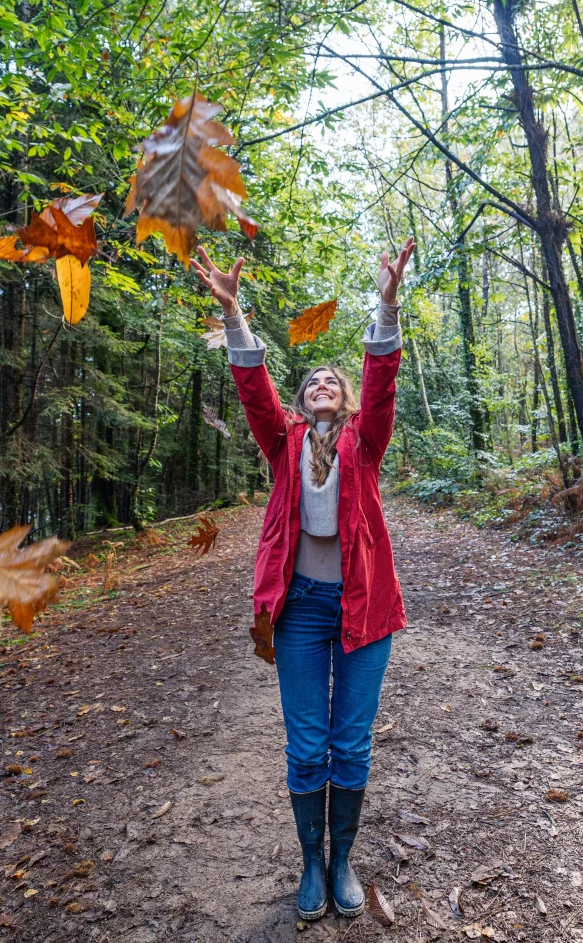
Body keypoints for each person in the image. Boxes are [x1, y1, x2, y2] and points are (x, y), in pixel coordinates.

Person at [191, 236, 415, 920]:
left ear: (344, 400)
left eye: (331, 379)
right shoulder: (283, 442)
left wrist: (386, 303)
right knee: (306, 743)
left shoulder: (364, 442)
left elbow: (380, 387)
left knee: (349, 741)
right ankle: (311, 863)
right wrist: (234, 316)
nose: (322, 383)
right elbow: (255, 394)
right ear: (300, 401)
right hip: (299, 611)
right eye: (311, 380)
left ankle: (343, 858)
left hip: (364, 607)